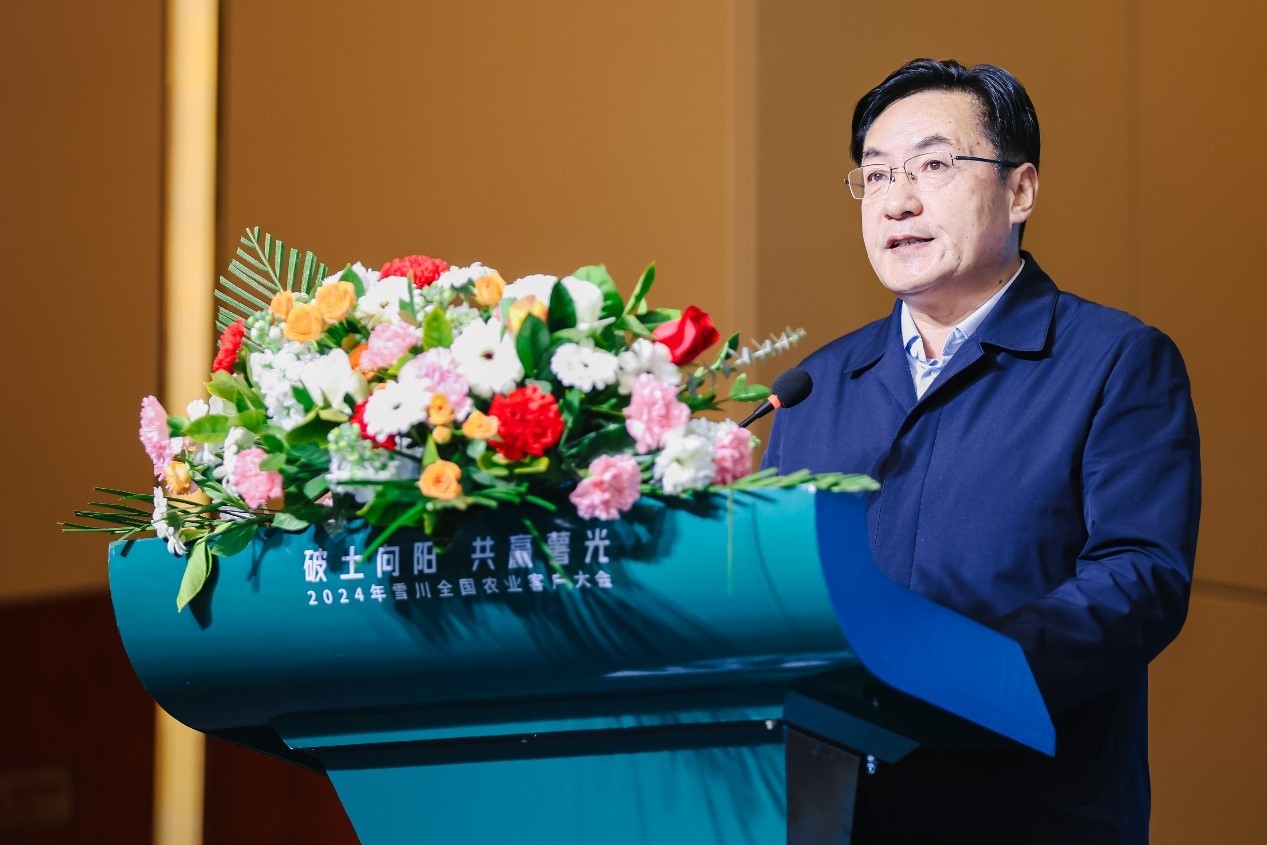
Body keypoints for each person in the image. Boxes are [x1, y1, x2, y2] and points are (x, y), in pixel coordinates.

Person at [762, 58, 1200, 844]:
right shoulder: (815, 385)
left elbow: (1139, 578)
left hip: (1021, 809)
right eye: (875, 174)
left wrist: (952, 667)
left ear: (1019, 190)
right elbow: (772, 593)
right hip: (830, 815)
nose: (896, 199)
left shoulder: (1112, 359)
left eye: (932, 166)